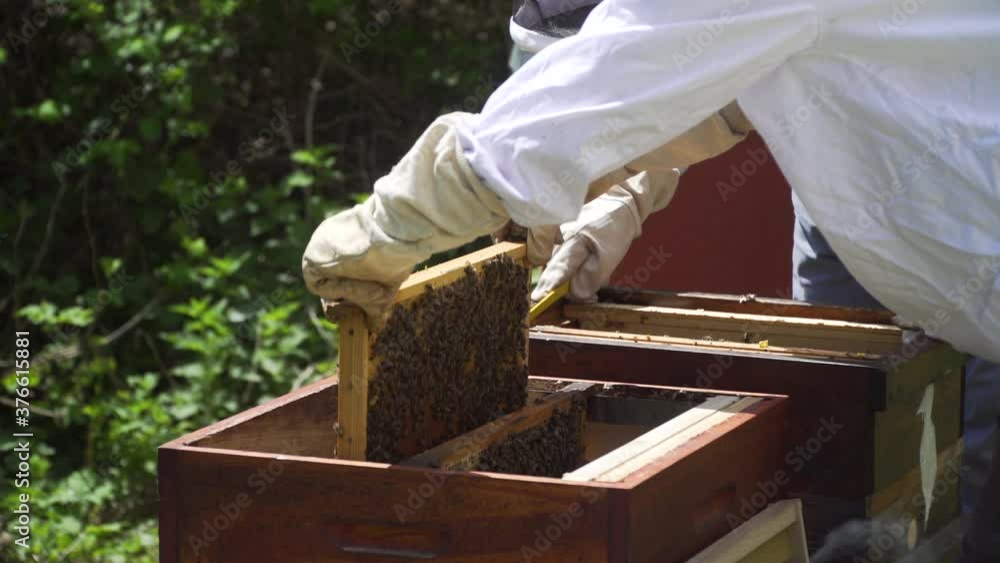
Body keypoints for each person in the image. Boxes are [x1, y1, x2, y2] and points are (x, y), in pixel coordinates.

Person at [301, 0, 1000, 559]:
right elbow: (707, 79)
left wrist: (384, 230)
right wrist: (615, 200)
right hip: (896, 193)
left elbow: (615, 94)